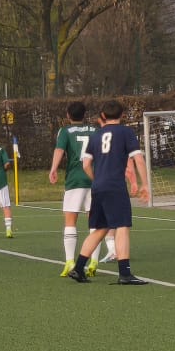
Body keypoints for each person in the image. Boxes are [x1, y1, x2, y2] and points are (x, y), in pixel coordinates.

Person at [72, 102, 150, 286]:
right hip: (115, 186)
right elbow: (138, 158)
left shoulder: (96, 134)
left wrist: (97, 179)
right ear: (122, 114)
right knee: (122, 226)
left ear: (103, 115)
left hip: (98, 186)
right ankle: (125, 273)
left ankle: (78, 268)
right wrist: (144, 184)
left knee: (101, 228)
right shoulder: (126, 133)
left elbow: (85, 164)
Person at [49, 102, 114, 277]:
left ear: (68, 115)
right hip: (95, 179)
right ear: (84, 115)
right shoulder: (95, 130)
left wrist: (53, 168)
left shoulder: (65, 131)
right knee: (95, 222)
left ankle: (70, 261)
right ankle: (93, 261)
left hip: (75, 180)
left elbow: (59, 150)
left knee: (70, 221)